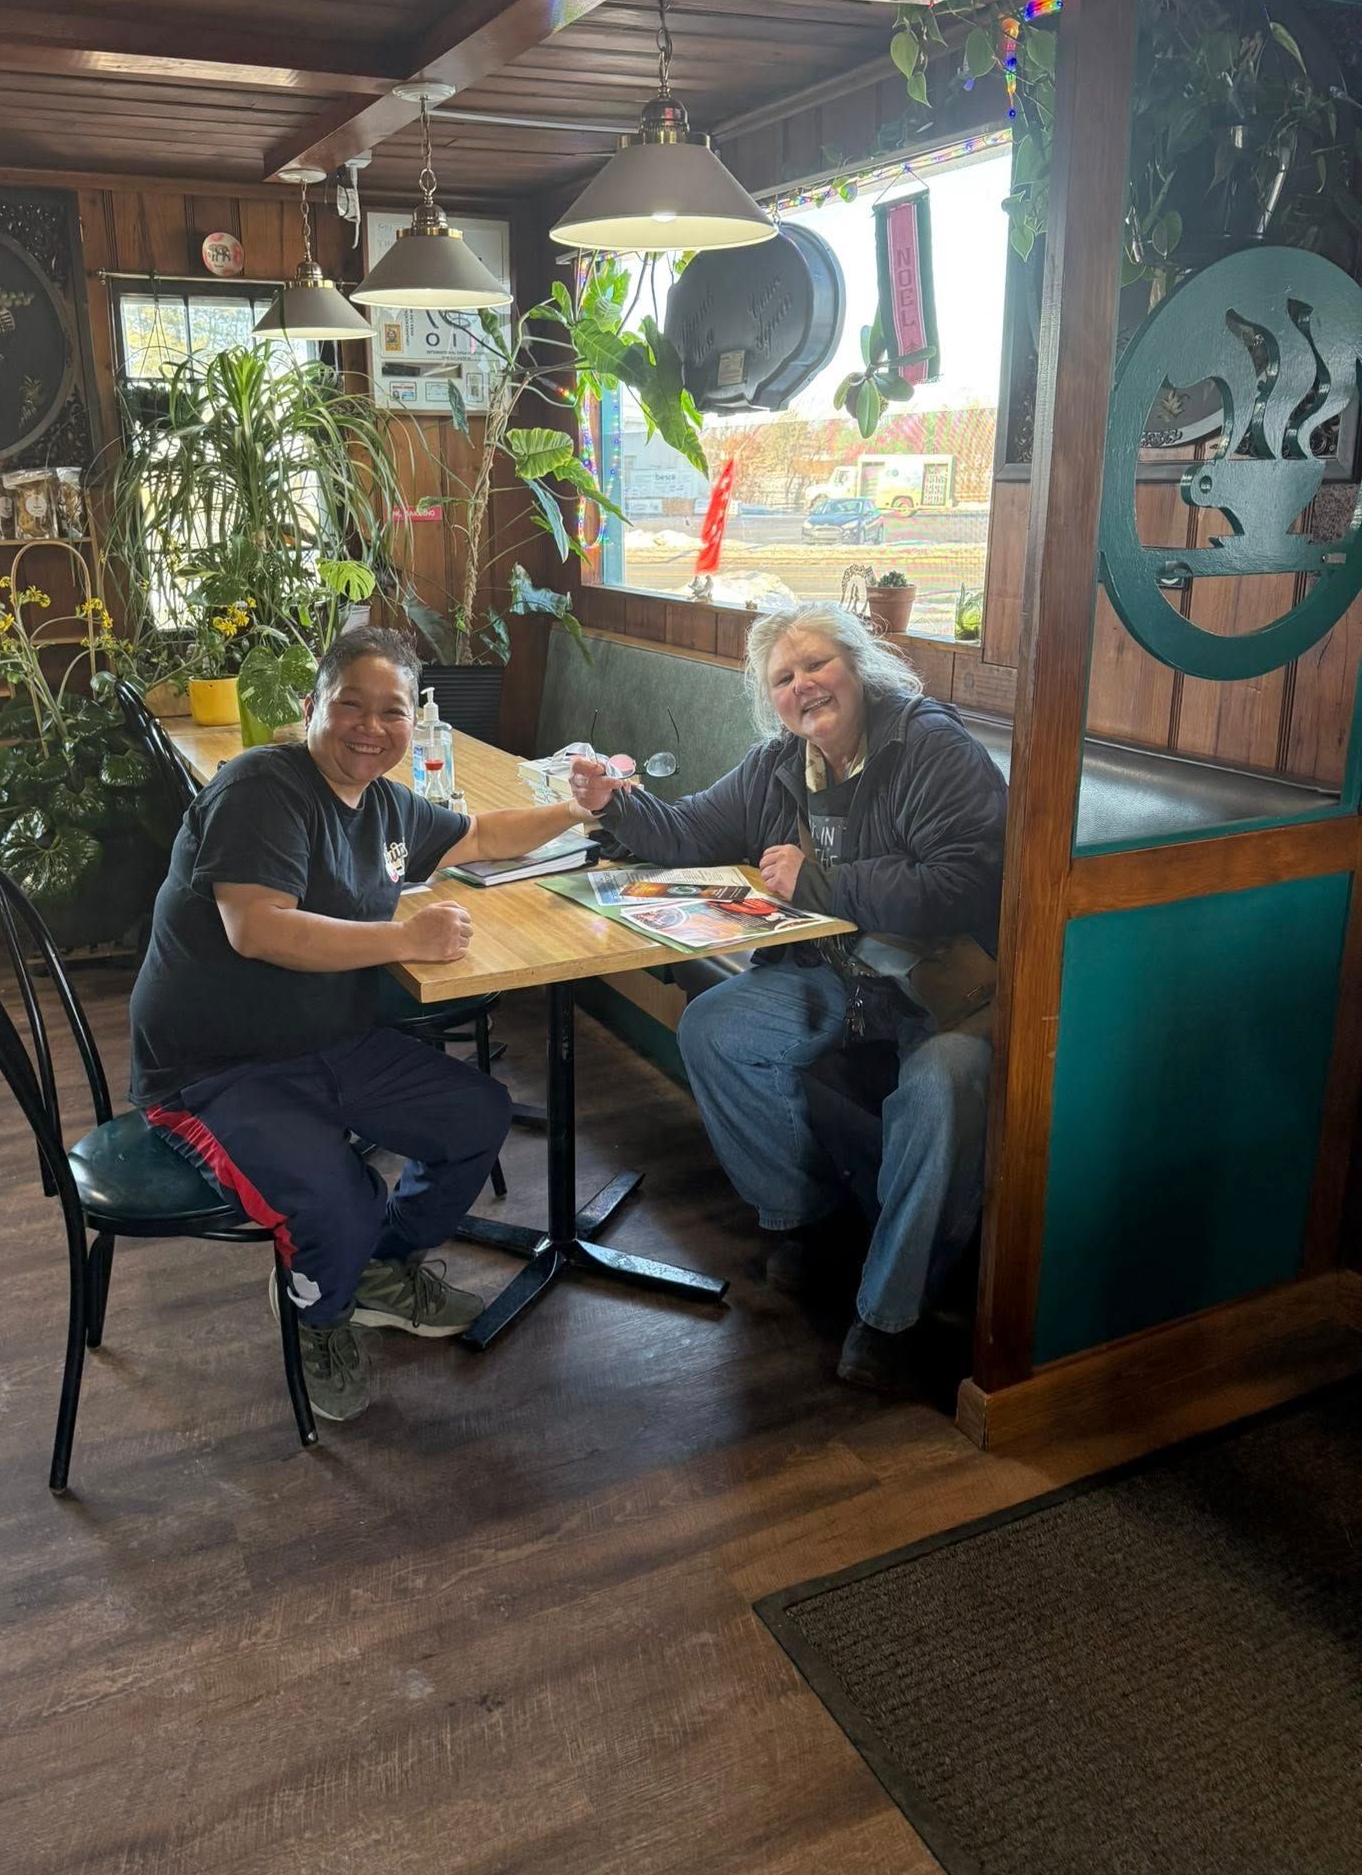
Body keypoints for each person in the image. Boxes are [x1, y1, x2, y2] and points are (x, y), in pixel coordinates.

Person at [129, 627, 593, 1423]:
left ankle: (378, 1266)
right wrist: (404, 940)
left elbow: (481, 836)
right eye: (351, 705)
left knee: (474, 1116)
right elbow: (258, 929)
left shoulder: (386, 808)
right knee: (335, 1200)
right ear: (313, 705)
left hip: (330, 1042)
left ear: (415, 721)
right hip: (212, 1069)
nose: (371, 727)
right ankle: (320, 1315)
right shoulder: (260, 788)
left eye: (393, 711)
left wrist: (577, 809)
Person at [568, 601, 1007, 1396]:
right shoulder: (777, 765)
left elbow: (965, 883)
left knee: (945, 1088)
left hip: (943, 988)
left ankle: (891, 1320)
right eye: (783, 678)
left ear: (860, 666)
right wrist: (613, 803)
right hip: (840, 976)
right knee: (717, 1028)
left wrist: (824, 882)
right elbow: (689, 831)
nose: (802, 686)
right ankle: (813, 1222)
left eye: (817, 665)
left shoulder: (930, 747)